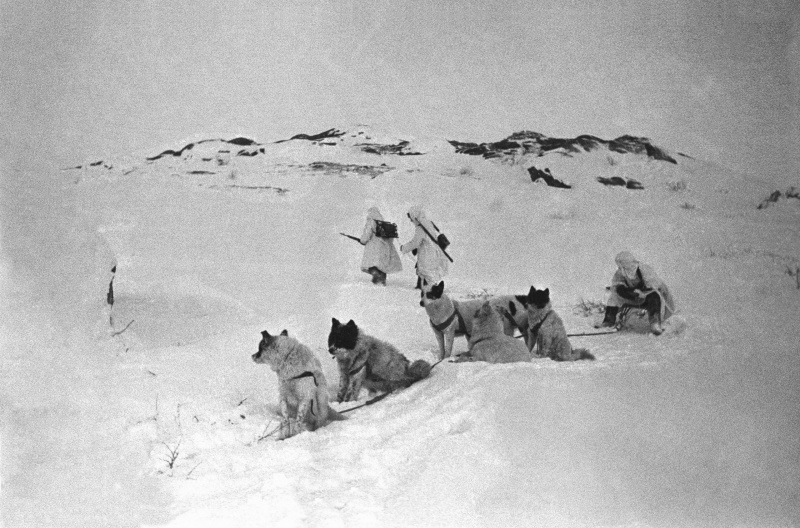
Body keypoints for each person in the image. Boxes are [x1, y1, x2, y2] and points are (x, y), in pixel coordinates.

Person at [595, 251, 675, 335]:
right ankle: (608, 321)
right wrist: (629, 292)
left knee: (654, 297)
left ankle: (655, 324)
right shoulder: (621, 273)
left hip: (646, 298)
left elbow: (656, 286)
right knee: (612, 298)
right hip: (631, 297)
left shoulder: (644, 270)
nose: (620, 268)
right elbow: (617, 286)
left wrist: (643, 292)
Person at [400, 205, 448, 288]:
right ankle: (425, 287)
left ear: (415, 216)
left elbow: (415, 242)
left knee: (425, 272)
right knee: (428, 272)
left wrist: (404, 248)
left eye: (411, 218)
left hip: (426, 254)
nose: (411, 220)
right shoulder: (429, 223)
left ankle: (428, 290)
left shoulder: (421, 227)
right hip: (434, 252)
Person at [359, 207, 402, 285]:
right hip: (384, 247)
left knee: (372, 266)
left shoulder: (370, 222)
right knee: (381, 267)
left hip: (374, 248)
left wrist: (362, 241)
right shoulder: (383, 223)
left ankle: (377, 278)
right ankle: (382, 282)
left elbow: (366, 236)